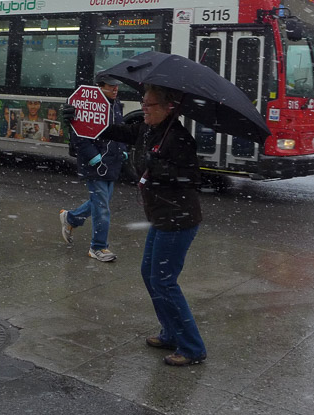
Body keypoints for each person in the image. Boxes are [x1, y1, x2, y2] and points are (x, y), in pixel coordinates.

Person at [81, 84, 206, 365]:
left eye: (150, 105)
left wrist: (158, 166)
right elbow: (117, 131)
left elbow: (191, 178)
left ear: (168, 107)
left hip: (178, 219)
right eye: (143, 103)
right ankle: (171, 333)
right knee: (149, 274)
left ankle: (192, 347)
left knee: (163, 280)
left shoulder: (179, 138)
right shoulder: (148, 130)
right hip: (160, 216)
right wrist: (82, 119)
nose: (144, 109)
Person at [59, 74, 128, 262]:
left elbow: (120, 128)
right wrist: (94, 158)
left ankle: (71, 218)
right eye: (111, 86)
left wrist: (122, 149)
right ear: (100, 86)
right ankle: (98, 247)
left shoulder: (115, 104)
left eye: (117, 86)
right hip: (95, 165)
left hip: (111, 162)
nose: (115, 89)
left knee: (101, 201)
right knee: (102, 206)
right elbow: (79, 136)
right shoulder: (86, 104)